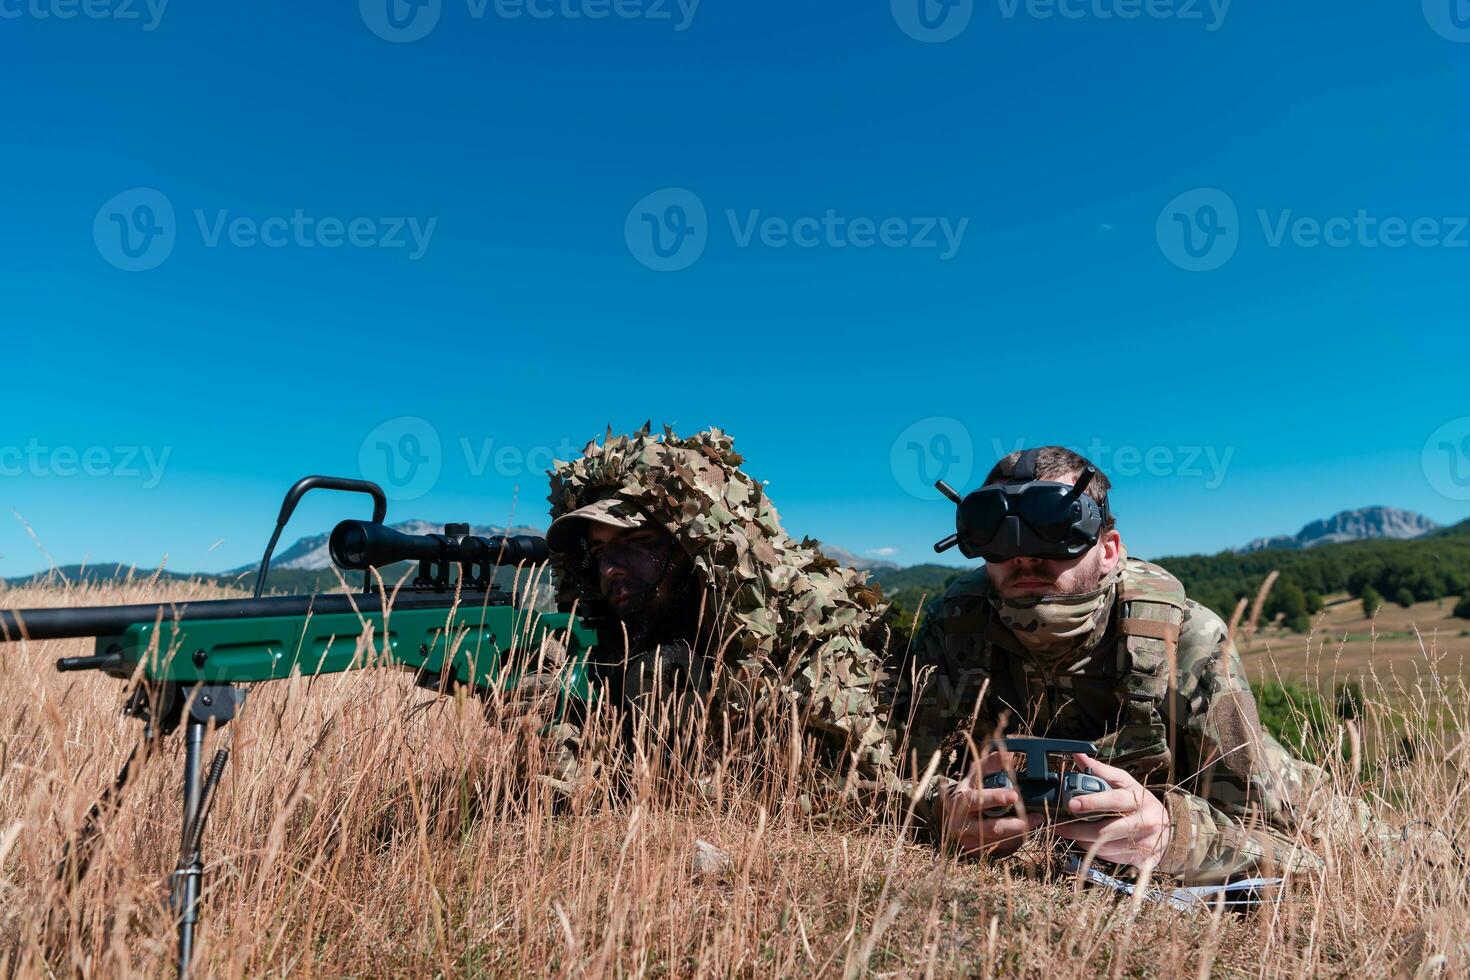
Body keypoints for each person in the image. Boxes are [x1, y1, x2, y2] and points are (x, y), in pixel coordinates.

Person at [892, 446, 1334, 884]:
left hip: (1303, 801)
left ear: (1108, 549)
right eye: (996, 531)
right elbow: (893, 777)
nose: (1024, 556)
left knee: (1381, 842)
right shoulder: (954, 627)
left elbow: (1289, 847)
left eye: (1053, 525)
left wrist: (1168, 836)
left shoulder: (1183, 637)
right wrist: (944, 809)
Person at [541, 424, 896, 800]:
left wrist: (697, 789)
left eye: (638, 541)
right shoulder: (626, 631)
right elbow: (595, 762)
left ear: (693, 549)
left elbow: (866, 784)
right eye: (599, 552)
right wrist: (547, 722)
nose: (611, 566)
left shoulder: (803, 618)